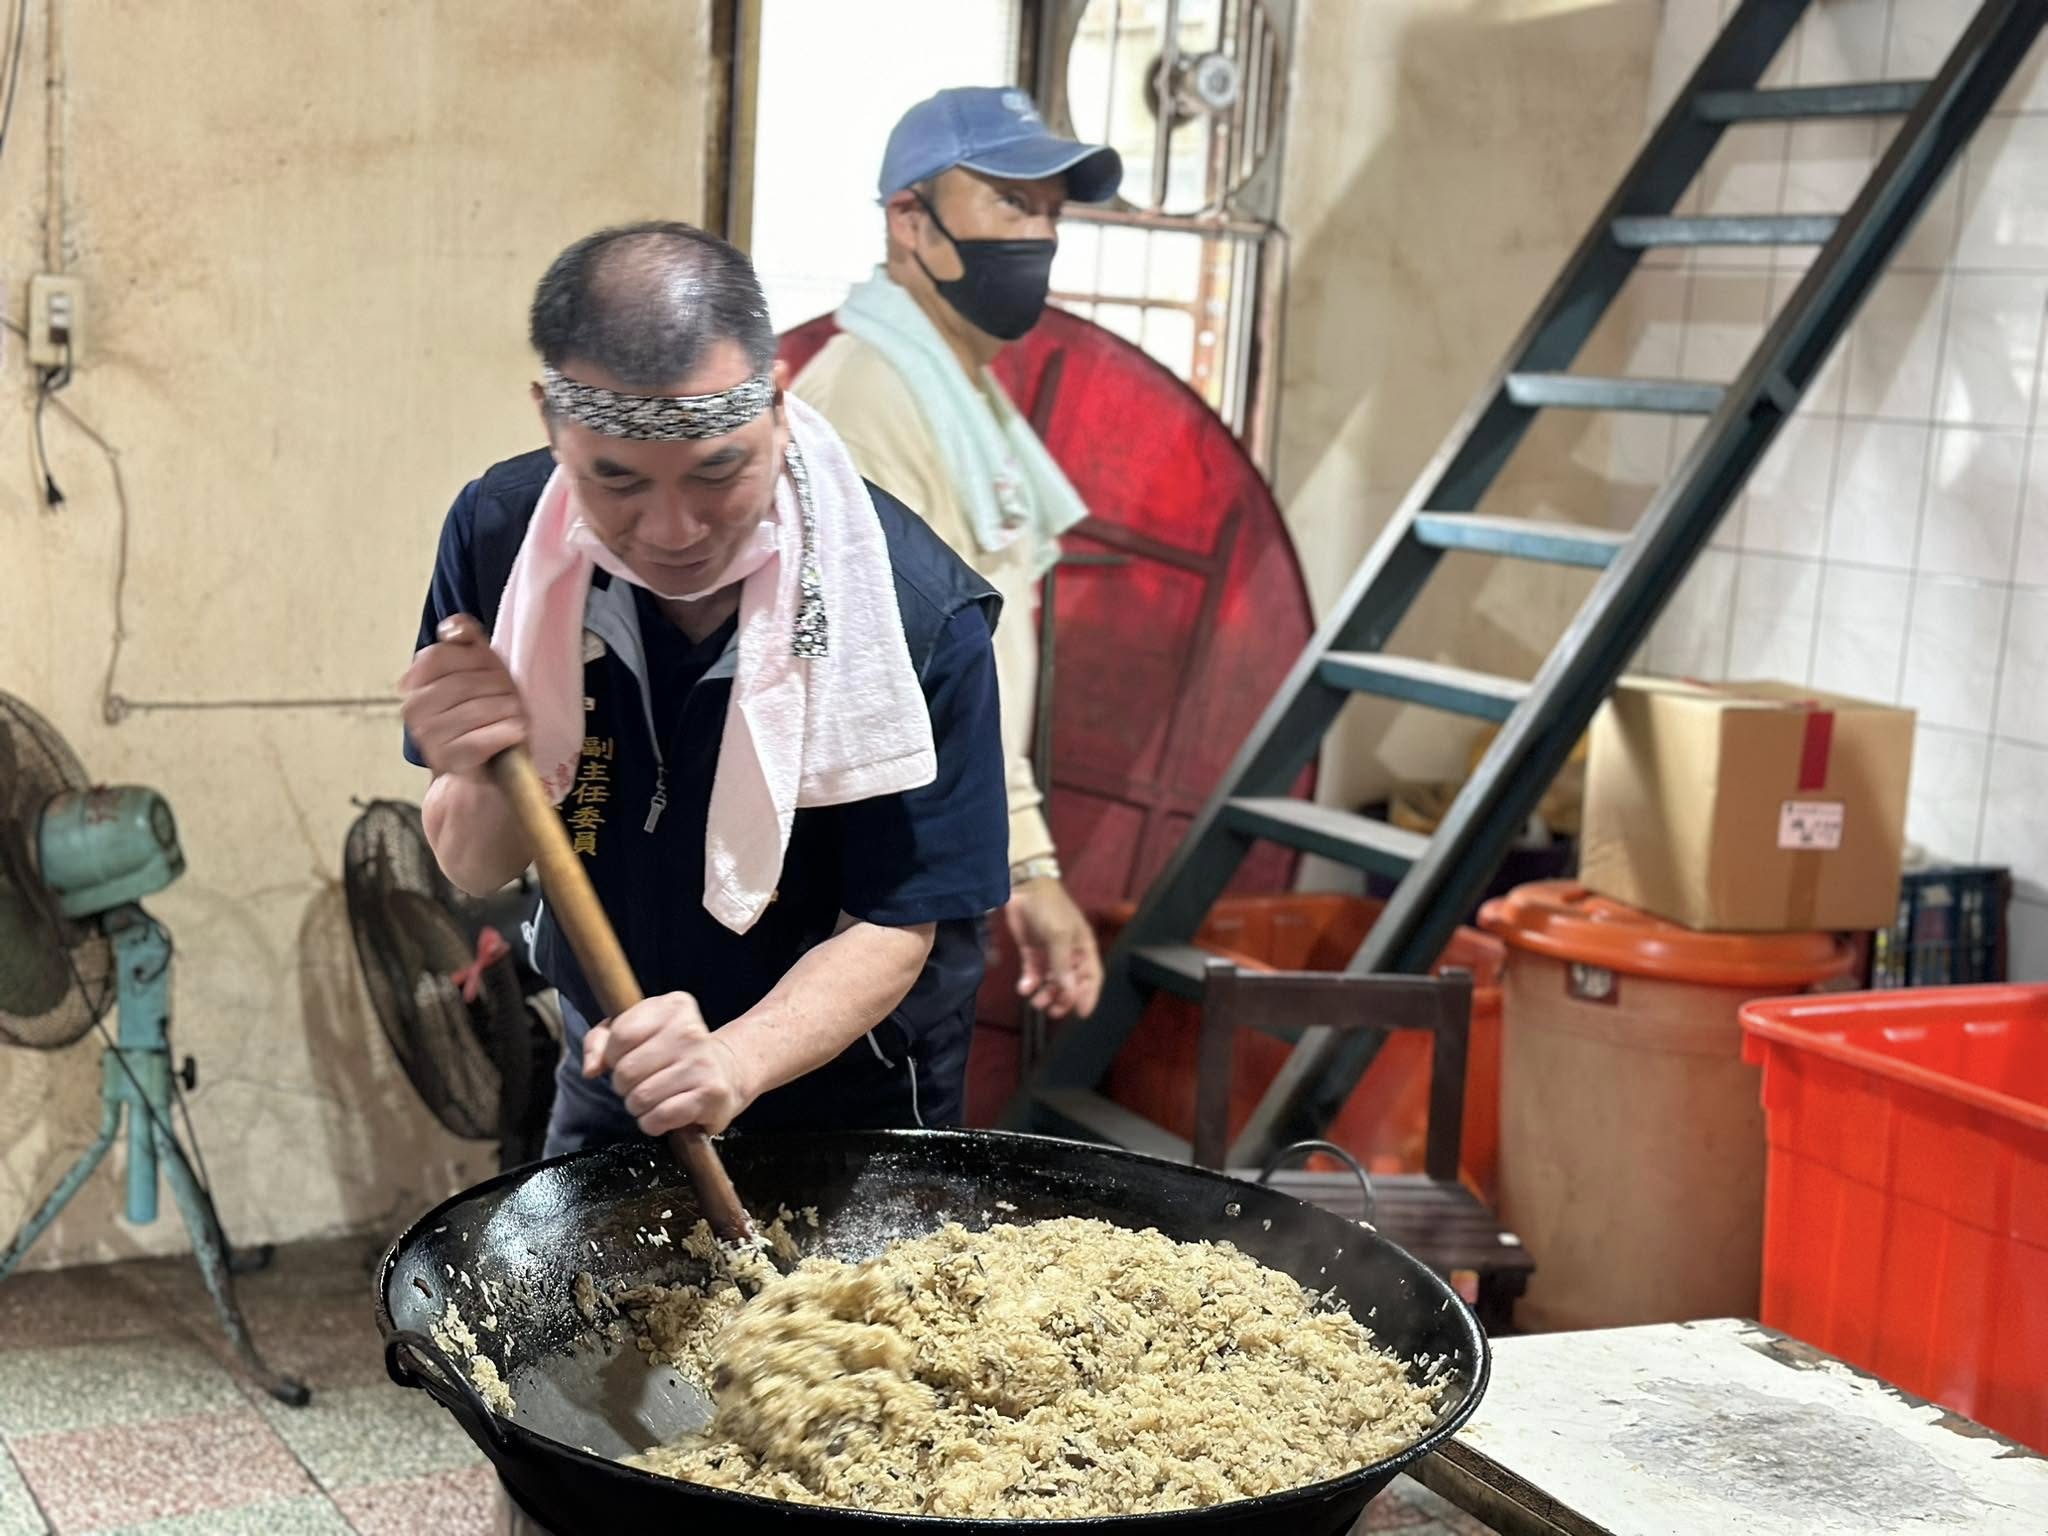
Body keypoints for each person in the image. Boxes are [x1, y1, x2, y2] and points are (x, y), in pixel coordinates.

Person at [400, 221, 1011, 1159]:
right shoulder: (503, 542)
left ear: (773, 403)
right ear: (550, 422)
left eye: (718, 470)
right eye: (616, 480)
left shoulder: (915, 613)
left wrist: (729, 1063)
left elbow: (893, 925)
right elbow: (473, 864)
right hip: (619, 1058)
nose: (674, 528)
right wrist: (477, 769)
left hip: (853, 1094)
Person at [792, 86, 1120, 1024]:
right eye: (1013, 204)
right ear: (911, 221)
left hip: (934, 859)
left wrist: (1018, 853)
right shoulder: (868, 399)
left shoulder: (958, 391)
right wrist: (1027, 861)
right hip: (881, 886)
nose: (1040, 237)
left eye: (1052, 213)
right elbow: (918, 664)